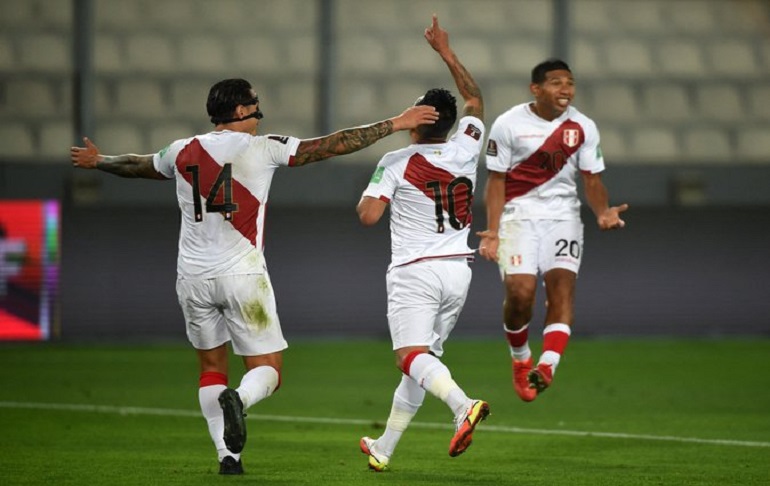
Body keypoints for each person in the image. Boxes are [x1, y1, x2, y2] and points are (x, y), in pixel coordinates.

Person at [69, 80, 439, 475]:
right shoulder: (263, 148)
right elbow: (335, 143)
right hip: (243, 276)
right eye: (255, 106)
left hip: (192, 278)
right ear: (242, 112)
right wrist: (396, 123)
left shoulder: (180, 151)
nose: (260, 113)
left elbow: (136, 164)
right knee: (269, 371)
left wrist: (99, 161)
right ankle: (239, 401)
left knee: (211, 367)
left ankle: (228, 457)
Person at [355, 15, 488, 472]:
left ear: (416, 121)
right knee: (422, 361)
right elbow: (474, 98)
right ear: (450, 125)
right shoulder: (467, 146)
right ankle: (385, 447)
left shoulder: (397, 160)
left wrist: (389, 152)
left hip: (415, 270)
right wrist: (446, 53)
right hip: (458, 270)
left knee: (409, 357)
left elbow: (368, 216)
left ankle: (462, 405)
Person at [476, 59, 628, 402]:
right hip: (517, 218)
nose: (566, 90)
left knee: (562, 290)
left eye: (570, 83)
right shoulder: (508, 124)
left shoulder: (583, 126)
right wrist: (494, 231)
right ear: (536, 89)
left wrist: (603, 211)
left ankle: (546, 366)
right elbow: (496, 181)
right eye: (557, 82)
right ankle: (520, 359)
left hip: (563, 218)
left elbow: (592, 179)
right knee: (520, 293)